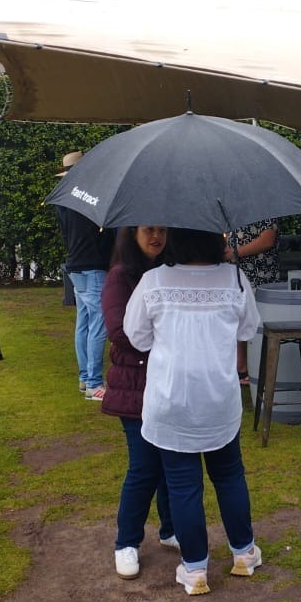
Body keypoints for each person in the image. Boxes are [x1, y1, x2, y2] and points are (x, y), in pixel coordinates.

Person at [124, 228, 263, 596]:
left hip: (171, 399)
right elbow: (248, 329)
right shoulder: (234, 279)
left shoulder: (154, 281)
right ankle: (244, 553)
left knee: (183, 485)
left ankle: (195, 568)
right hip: (218, 398)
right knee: (229, 476)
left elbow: (137, 336)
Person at [103, 225, 177, 580]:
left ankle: (171, 529)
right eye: (148, 230)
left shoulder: (173, 272)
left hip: (168, 384)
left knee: (171, 463)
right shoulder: (120, 276)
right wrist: (168, 337)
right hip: (135, 386)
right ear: (132, 234)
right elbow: (119, 331)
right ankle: (127, 542)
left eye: (162, 230)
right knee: (144, 466)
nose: (155, 236)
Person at [54, 150, 117, 401]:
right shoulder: (93, 198)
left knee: (84, 323)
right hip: (93, 267)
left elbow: (66, 235)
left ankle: (84, 378)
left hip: (75, 266)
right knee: (98, 325)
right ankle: (93, 383)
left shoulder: (63, 200)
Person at [225, 218, 279, 385]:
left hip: (260, 277)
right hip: (235, 275)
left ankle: (257, 370)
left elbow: (267, 240)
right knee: (236, 321)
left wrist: (234, 253)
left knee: (257, 325)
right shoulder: (234, 211)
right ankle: (241, 368)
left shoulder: (266, 211)